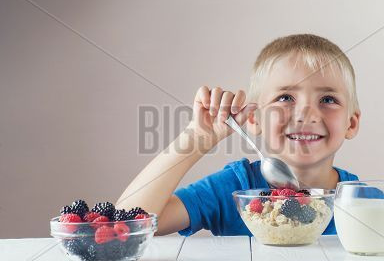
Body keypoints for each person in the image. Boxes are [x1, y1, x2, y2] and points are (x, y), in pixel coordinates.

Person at [116, 34, 362, 236]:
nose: (306, 115)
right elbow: (126, 225)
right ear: (254, 118)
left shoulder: (362, 200)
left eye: (328, 99)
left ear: (351, 123)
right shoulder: (234, 189)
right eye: (285, 98)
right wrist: (196, 139)